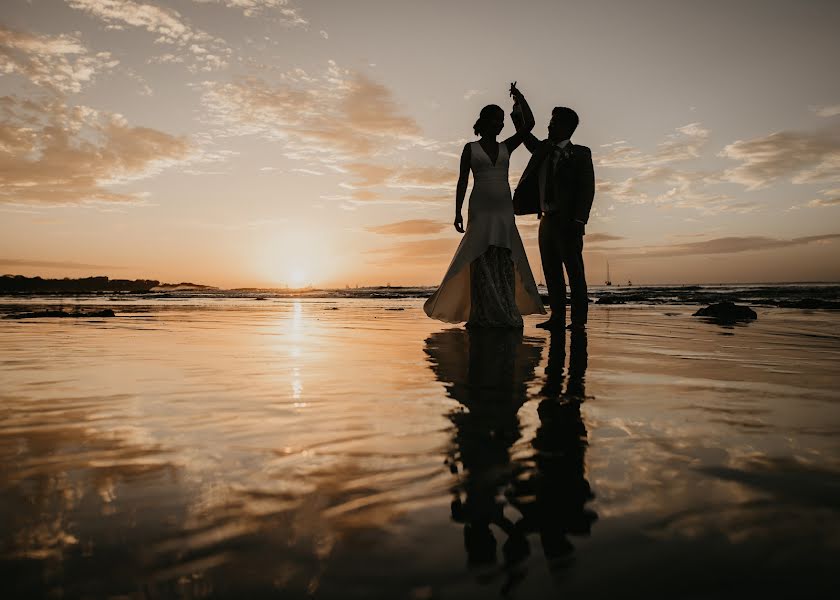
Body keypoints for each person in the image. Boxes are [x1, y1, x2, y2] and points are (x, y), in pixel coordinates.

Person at [423, 85, 546, 328]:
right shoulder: (470, 148)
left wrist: (519, 99)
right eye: (498, 120)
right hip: (479, 206)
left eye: (502, 121)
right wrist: (457, 211)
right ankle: (481, 311)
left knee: (504, 254)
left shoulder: (506, 147)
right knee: (478, 253)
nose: (501, 125)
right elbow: (462, 180)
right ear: (487, 121)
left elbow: (529, 125)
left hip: (503, 207)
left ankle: (504, 306)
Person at [511, 102, 595, 330]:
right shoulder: (543, 150)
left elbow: (587, 189)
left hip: (569, 221)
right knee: (551, 270)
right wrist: (518, 107)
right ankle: (557, 316)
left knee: (574, 270)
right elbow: (525, 135)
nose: (549, 126)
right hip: (546, 219)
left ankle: (578, 320)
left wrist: (579, 220)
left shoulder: (580, 153)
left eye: (553, 122)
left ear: (566, 127)